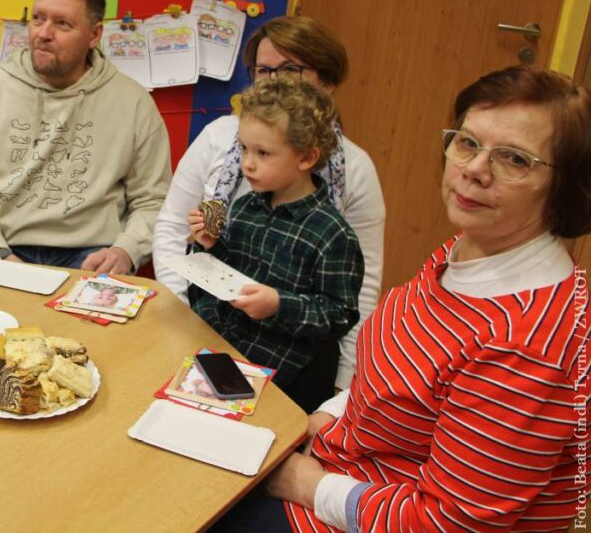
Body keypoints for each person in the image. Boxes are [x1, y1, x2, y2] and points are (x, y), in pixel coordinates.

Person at [232, 66, 591, 533]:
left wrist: (310, 486)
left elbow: (447, 523)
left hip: (352, 508)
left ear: (566, 187)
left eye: (515, 159)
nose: (474, 169)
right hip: (340, 461)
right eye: (467, 142)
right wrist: (328, 415)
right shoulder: (465, 253)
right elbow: (399, 378)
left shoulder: (527, 345)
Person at [153, 16, 385, 392]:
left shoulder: (345, 190)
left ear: (326, 81)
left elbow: (355, 296)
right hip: (213, 335)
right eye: (264, 70)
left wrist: (342, 389)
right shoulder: (224, 149)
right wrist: (205, 248)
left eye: (291, 69)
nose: (275, 82)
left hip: (290, 362)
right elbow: (176, 235)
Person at [0, 0, 171, 272]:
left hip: (92, 256)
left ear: (95, 35)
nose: (43, 33)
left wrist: (125, 251)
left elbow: (154, 201)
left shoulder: (135, 103)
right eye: (37, 18)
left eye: (62, 23)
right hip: (1, 247)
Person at [188, 77, 363, 412]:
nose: (247, 163)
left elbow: (339, 315)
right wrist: (207, 248)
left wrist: (279, 305)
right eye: (243, 149)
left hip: (284, 376)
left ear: (306, 158)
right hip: (221, 351)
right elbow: (220, 281)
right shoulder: (244, 207)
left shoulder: (332, 233)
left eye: (263, 153)